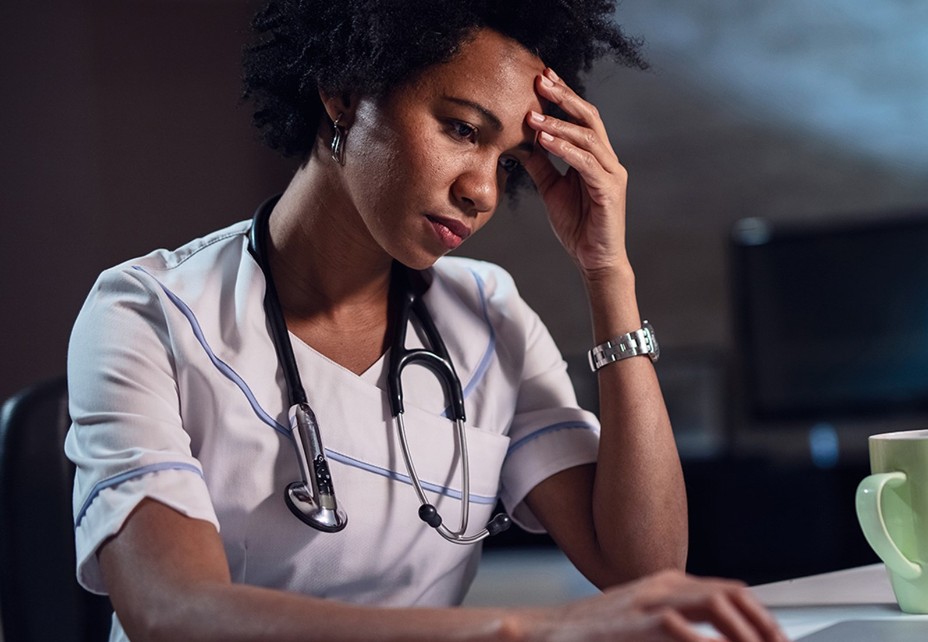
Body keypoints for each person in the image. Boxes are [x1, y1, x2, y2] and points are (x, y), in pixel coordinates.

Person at [64, 1, 787, 640]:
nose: (480, 192)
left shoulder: (488, 314)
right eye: (462, 130)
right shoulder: (146, 313)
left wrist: (608, 273)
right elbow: (174, 612)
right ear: (345, 91)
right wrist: (520, 629)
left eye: (508, 162)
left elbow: (643, 567)